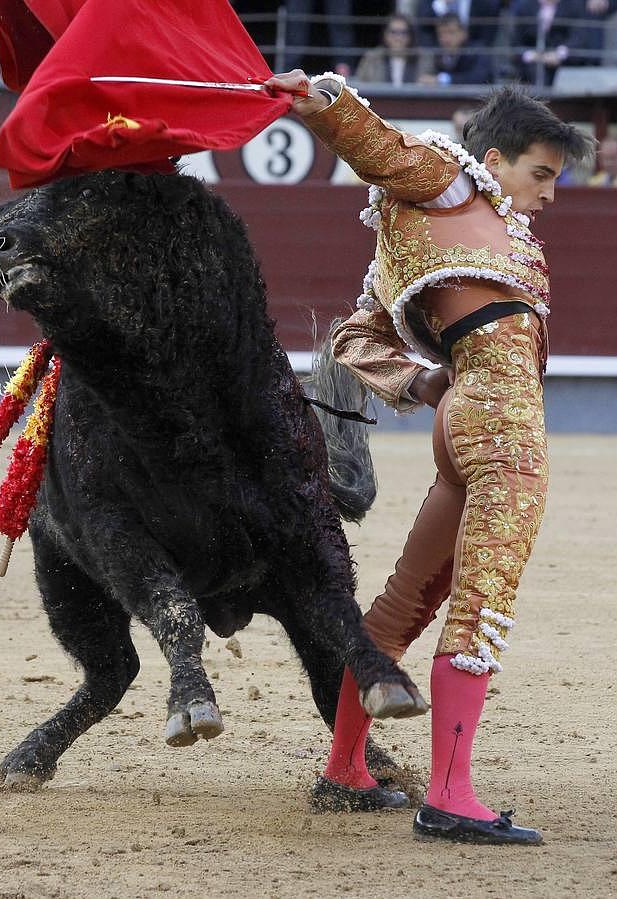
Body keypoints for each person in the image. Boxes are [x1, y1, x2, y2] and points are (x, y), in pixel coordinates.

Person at [264, 68, 594, 844]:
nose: (548, 193)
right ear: (492, 155)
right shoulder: (450, 183)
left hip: (461, 411)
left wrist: (424, 383)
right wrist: (326, 105)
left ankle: (345, 766)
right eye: (539, 173)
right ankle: (448, 793)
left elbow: (353, 337)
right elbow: (379, 147)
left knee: (404, 602)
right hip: (502, 422)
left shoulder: (414, 233)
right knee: (479, 602)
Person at [512, 0, 591, 85]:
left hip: (565, 62)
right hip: (532, 63)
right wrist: (533, 56)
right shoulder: (525, 6)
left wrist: (559, 54)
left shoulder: (574, 5)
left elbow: (579, 37)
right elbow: (516, 41)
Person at [355, 14, 432, 85]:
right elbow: (359, 86)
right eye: (393, 32)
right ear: (385, 35)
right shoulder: (372, 58)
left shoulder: (423, 59)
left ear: (410, 36)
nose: (398, 38)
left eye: (403, 33)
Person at [419, 12, 494, 83]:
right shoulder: (438, 54)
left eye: (451, 32)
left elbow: (479, 78)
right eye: (441, 34)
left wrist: (443, 80)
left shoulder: (478, 51)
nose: (446, 38)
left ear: (464, 33)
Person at [415, 0, 502, 48]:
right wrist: (440, 6)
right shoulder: (429, 3)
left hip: (472, 58)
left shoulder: (487, 3)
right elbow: (423, 28)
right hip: (439, 59)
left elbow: (486, 39)